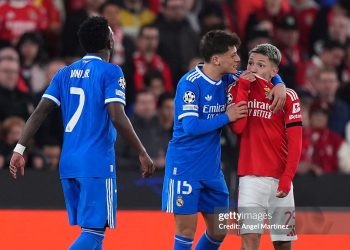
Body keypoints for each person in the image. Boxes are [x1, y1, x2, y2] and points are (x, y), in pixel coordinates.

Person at [9, 16, 154, 250]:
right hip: (96, 163)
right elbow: (117, 116)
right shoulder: (111, 72)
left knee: (90, 232)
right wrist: (142, 151)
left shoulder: (64, 73)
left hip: (68, 164)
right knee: (95, 234)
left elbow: (39, 112)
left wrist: (19, 149)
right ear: (109, 42)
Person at [162, 30, 286, 250]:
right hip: (185, 168)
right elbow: (190, 127)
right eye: (233, 55)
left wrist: (279, 83)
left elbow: (263, 74)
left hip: (212, 172)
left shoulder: (230, 78)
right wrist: (226, 117)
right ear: (216, 59)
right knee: (186, 232)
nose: (238, 60)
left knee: (220, 229)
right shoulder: (190, 83)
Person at [228, 43, 303, 250]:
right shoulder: (237, 88)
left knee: (282, 241)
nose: (253, 69)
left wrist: (287, 177)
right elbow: (239, 128)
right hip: (250, 178)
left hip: (280, 178)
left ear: (274, 71)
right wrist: (243, 89)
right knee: (250, 238)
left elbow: (296, 143)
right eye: (251, 63)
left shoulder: (288, 96)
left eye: (261, 65)